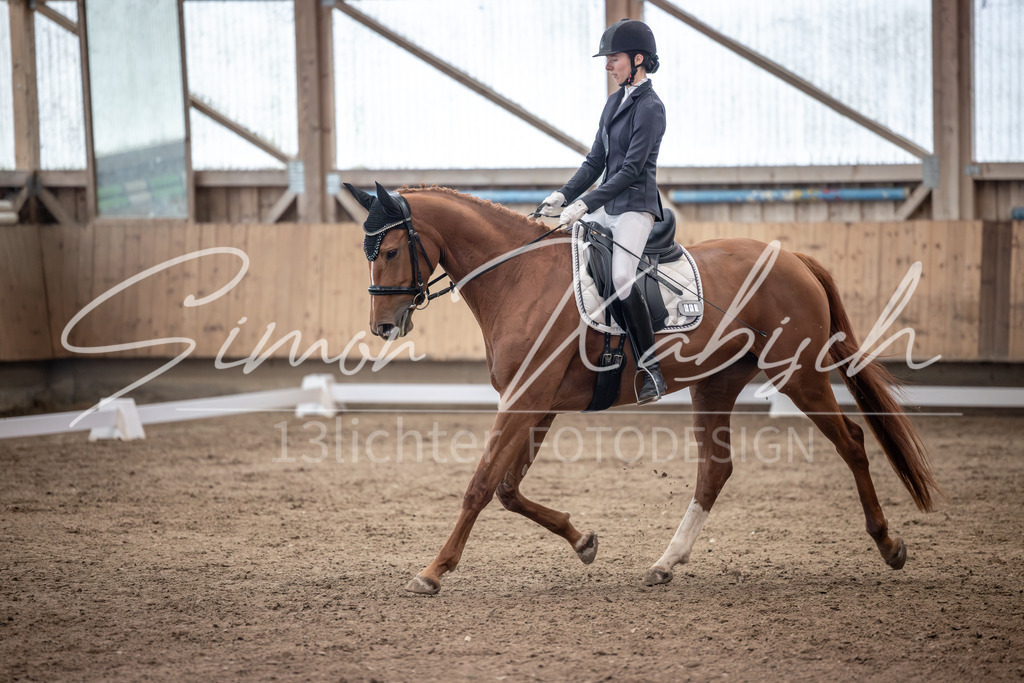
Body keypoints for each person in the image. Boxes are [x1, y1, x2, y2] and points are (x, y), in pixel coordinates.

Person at [539, 18, 668, 405]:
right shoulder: (614, 101)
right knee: (564, 255)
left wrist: (585, 204)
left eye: (614, 59)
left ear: (638, 60)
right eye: (608, 60)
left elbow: (630, 170)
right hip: (607, 204)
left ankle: (651, 368)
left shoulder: (652, 107)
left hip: (636, 207)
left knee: (623, 276)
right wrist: (563, 195)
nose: (608, 66)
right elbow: (596, 160)